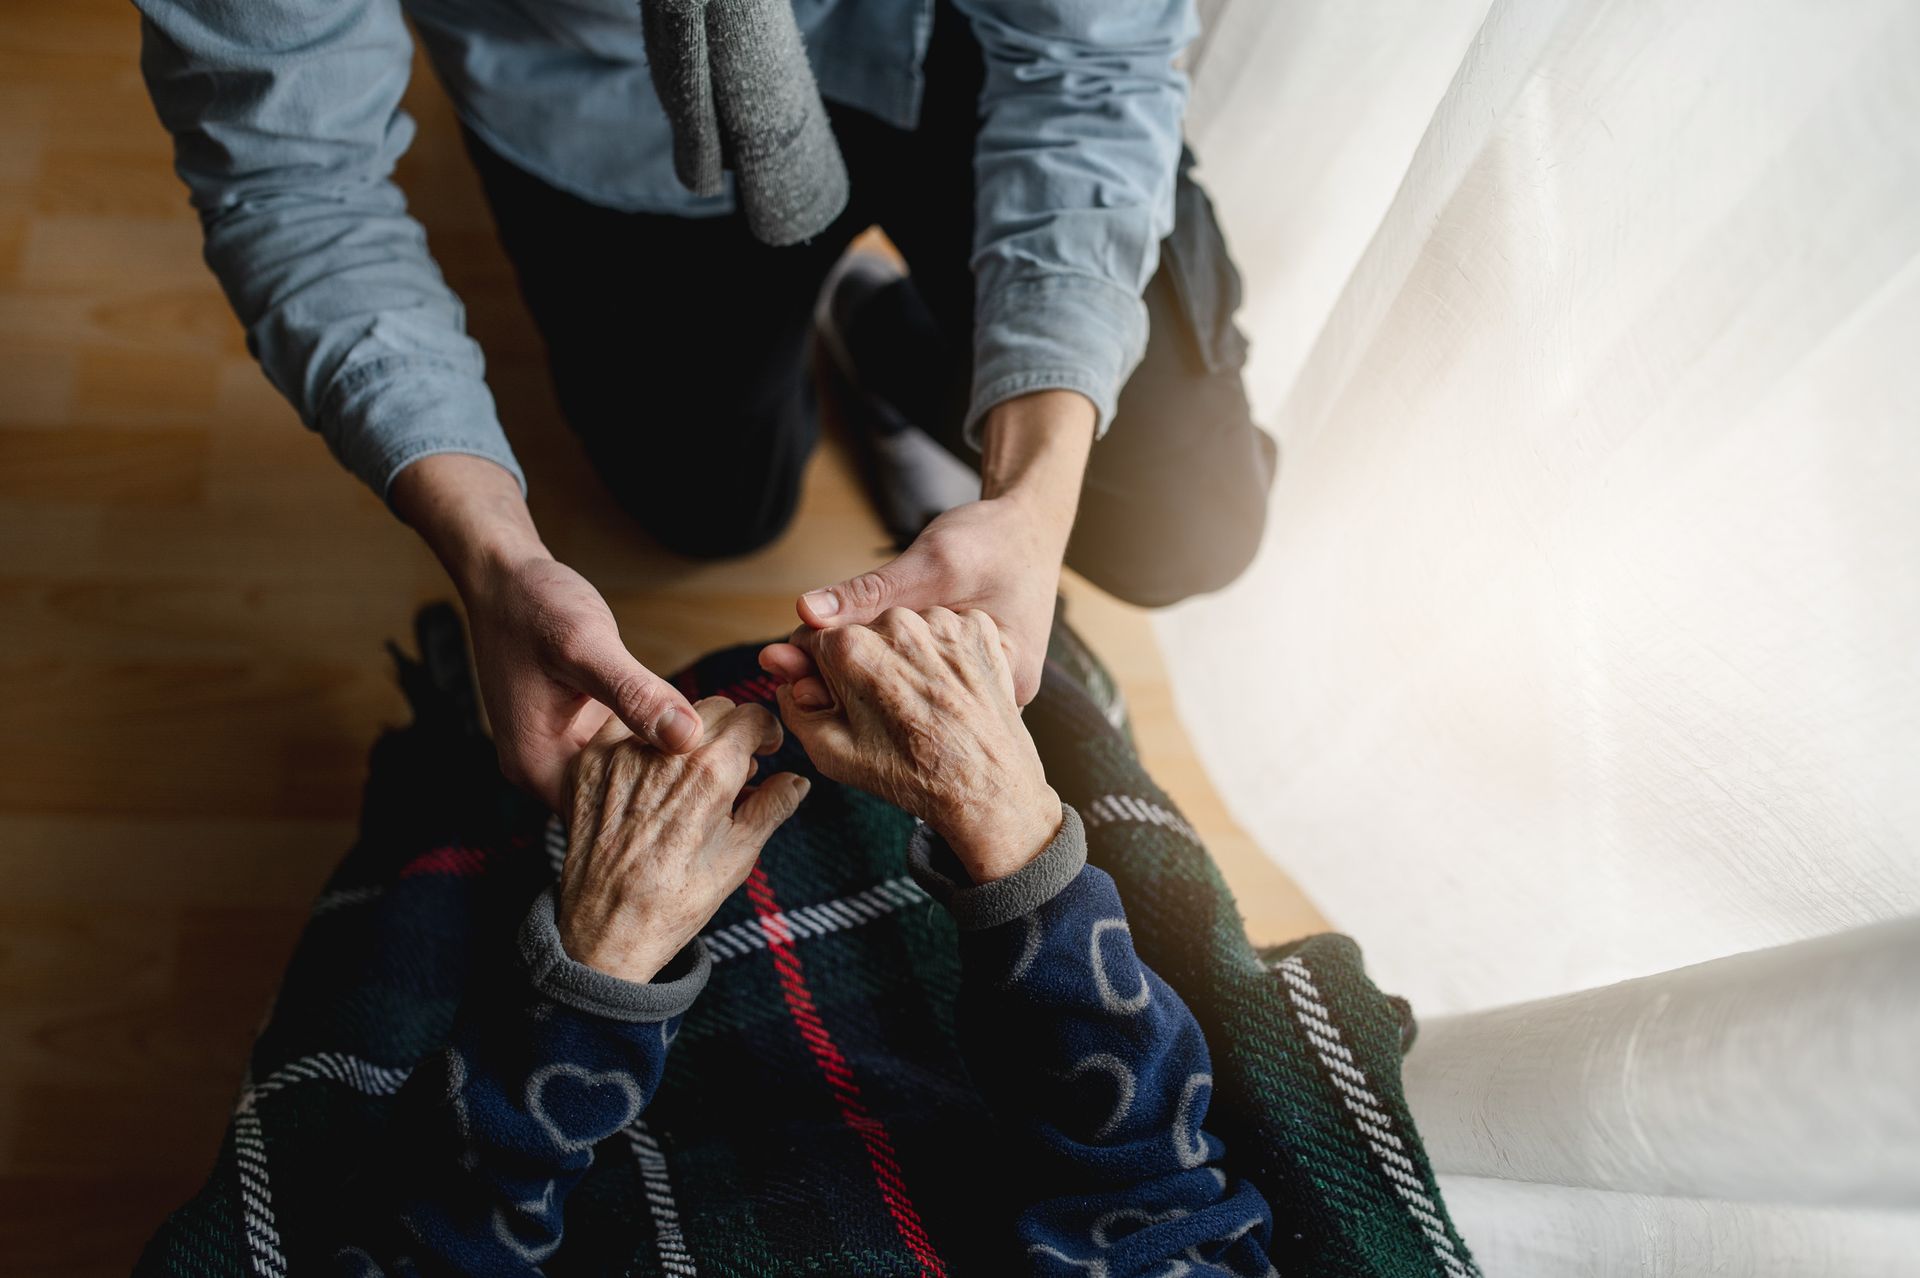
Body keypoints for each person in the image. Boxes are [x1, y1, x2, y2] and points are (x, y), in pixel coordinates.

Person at [134, 0, 1279, 812]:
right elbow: (294, 176)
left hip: (966, 46)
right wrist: (491, 558)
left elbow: (1093, 69)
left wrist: (1032, 492)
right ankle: (857, 323)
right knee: (705, 514)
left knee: (1186, 525)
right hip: (616, 120)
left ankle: (882, 331)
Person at [303, 609, 1277, 1273]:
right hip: (943, 1079)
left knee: (449, 885)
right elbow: (1161, 1201)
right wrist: (1013, 837)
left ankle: (457, 770)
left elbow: (420, 1251)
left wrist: (594, 970)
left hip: (598, 1140)